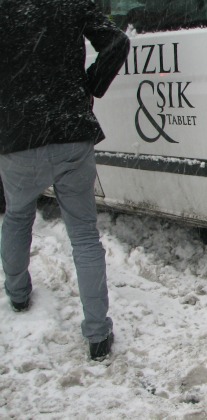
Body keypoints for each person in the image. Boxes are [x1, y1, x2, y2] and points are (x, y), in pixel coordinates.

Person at [0, 0, 130, 360]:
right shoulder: (69, 3)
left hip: (17, 136)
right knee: (85, 235)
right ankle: (98, 334)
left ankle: (18, 293)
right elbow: (117, 41)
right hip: (71, 130)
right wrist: (89, 86)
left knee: (17, 215)